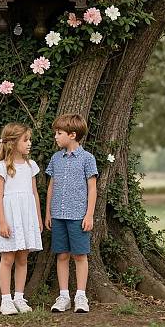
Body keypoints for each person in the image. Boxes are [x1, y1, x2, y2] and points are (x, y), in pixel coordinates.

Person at [45, 113, 98, 314]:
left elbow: (92, 188)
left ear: (73, 135)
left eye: (59, 133)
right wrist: (48, 212)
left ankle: (81, 296)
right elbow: (52, 185)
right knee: (62, 255)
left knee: (80, 255)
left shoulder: (87, 158)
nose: (56, 137)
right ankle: (64, 296)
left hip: (78, 216)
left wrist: (89, 215)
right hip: (58, 215)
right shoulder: (55, 158)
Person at [0, 123, 43, 315]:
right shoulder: (2, 168)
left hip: (27, 218)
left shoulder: (31, 166)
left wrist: (38, 218)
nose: (29, 143)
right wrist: (2, 221)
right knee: (7, 258)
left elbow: (35, 194)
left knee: (22, 258)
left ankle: (19, 297)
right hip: (10, 219)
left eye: (30, 140)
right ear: (12, 143)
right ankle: (6, 300)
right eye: (26, 140)